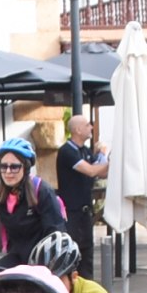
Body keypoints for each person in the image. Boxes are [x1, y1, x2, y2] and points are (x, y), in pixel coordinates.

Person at [55, 117, 108, 279]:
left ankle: (87, 288)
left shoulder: (85, 151)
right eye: (87, 125)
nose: (91, 127)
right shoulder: (67, 151)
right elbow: (91, 171)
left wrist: (105, 158)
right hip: (71, 212)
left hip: (85, 211)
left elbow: (102, 172)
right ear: (77, 130)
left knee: (87, 253)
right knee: (72, 254)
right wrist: (106, 155)